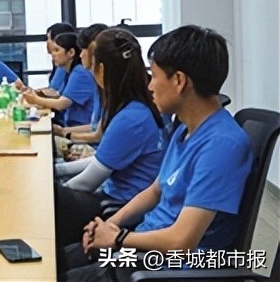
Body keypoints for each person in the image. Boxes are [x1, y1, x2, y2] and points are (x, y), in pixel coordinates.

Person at [62, 25, 254, 282]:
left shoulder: (222, 146)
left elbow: (182, 242)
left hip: (166, 268)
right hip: (142, 249)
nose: (150, 85)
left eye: (154, 76)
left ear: (179, 81)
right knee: (56, 260)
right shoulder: (185, 128)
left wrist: (118, 238)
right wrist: (110, 225)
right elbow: (155, 190)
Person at [54, 28, 164, 247]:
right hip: (117, 197)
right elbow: (101, 161)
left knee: (50, 202)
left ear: (101, 69)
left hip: (120, 205)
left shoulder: (131, 118)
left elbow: (89, 180)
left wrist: (56, 189)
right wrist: (57, 173)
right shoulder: (131, 108)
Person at [24, 32, 95, 126]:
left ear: (71, 52)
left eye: (57, 50)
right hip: (71, 123)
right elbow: (58, 95)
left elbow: (62, 104)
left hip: (79, 126)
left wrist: (36, 99)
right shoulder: (70, 71)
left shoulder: (80, 73)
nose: (53, 54)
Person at [54, 23, 108, 145]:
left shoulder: (81, 72)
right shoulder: (100, 86)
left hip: (91, 145)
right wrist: (64, 132)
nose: (81, 54)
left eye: (85, 49)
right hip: (83, 136)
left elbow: (62, 103)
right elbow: (95, 128)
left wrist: (64, 133)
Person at [43, 22, 77, 97]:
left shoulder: (75, 69)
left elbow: (54, 90)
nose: (47, 42)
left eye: (49, 39)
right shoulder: (61, 63)